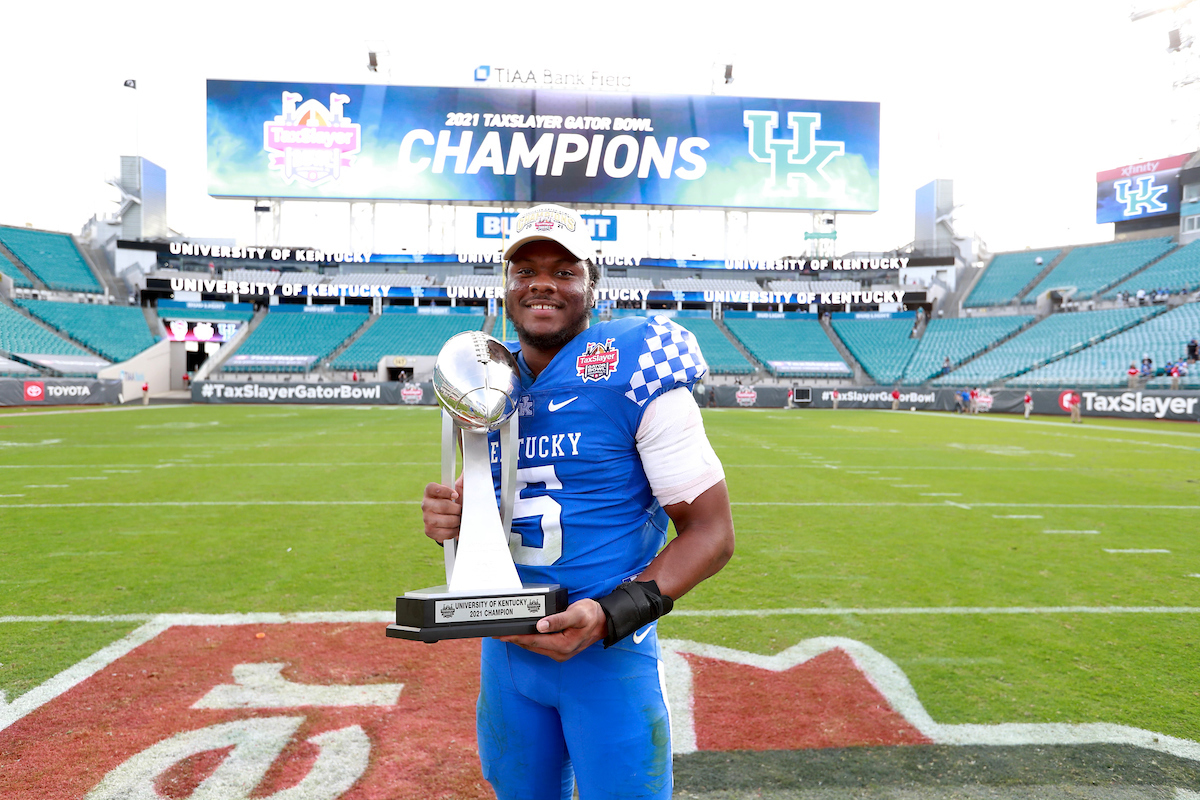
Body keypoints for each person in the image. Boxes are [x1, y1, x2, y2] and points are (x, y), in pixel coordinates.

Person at [421, 204, 735, 800]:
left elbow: (711, 533)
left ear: (593, 285)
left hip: (607, 657)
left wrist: (610, 614)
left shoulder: (634, 365)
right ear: (507, 287)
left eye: (564, 271)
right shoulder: (485, 382)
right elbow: (500, 519)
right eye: (525, 270)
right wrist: (456, 525)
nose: (542, 282)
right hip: (507, 656)